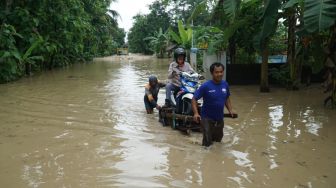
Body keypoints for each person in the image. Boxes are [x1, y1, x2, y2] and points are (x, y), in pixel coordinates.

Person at [192, 62, 234, 147]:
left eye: (221, 72)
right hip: (207, 119)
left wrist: (230, 110)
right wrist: (196, 113)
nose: (219, 74)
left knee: (218, 142)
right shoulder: (205, 86)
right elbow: (194, 99)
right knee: (207, 144)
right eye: (217, 72)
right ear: (212, 73)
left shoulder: (225, 84)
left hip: (219, 119)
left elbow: (227, 98)